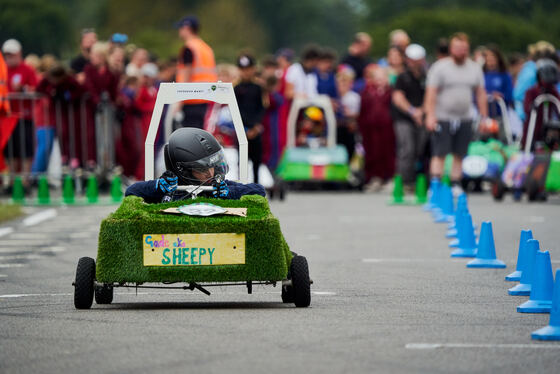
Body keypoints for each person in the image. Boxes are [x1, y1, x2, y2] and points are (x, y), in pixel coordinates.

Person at [125, 128, 265, 203]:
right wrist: (156, 187)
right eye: (202, 169)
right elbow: (131, 191)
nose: (210, 173)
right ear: (182, 170)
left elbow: (259, 191)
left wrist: (230, 193)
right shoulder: (168, 188)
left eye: (212, 166)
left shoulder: (216, 187)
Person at [424, 32, 488, 194]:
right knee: (440, 152)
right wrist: (430, 115)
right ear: (451, 49)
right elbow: (431, 93)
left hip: (465, 116)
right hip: (442, 116)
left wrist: (484, 117)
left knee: (459, 153)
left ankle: (455, 182)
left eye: (464, 48)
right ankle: (436, 182)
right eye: (458, 48)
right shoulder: (440, 67)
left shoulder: (474, 68)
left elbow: (480, 93)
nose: (461, 52)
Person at [391, 43, 429, 191]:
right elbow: (398, 97)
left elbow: (431, 95)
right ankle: (403, 182)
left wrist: (422, 111)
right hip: (404, 118)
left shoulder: (427, 76)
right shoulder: (402, 77)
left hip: (423, 117)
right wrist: (413, 111)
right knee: (407, 149)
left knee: (421, 150)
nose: (415, 63)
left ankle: (420, 180)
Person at [2, 39, 37, 177]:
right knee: (11, 152)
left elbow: (35, 89)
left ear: (19, 53)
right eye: (7, 55)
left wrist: (23, 89)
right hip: (7, 117)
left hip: (24, 116)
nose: (9, 58)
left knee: (25, 152)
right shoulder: (3, 70)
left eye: (12, 55)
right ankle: (11, 181)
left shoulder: (27, 70)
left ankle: (24, 181)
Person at [175, 15, 217, 129]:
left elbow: (185, 76)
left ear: (187, 28)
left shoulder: (189, 48)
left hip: (192, 99)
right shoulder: (206, 48)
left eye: (180, 28)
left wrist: (178, 102)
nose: (179, 31)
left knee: (190, 138)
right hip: (208, 98)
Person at [358, 64, 395, 190]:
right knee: (372, 153)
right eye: (377, 78)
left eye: (382, 77)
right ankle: (374, 178)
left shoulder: (391, 92)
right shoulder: (367, 92)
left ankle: (389, 177)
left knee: (388, 152)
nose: (380, 80)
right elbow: (362, 112)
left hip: (388, 127)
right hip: (371, 128)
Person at [234, 54, 265, 183]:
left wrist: (256, 126)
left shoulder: (258, 87)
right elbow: (236, 109)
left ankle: (257, 184)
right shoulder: (236, 88)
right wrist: (244, 127)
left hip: (255, 128)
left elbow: (262, 107)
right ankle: (242, 184)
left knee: (257, 158)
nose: (246, 72)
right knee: (241, 159)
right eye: (243, 69)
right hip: (242, 128)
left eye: (248, 68)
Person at [521, 58, 560, 150]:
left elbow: (558, 107)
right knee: (529, 144)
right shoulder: (532, 91)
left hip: (547, 129)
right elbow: (527, 109)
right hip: (533, 127)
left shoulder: (553, 92)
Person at [335, 65, 360, 159]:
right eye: (339, 83)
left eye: (344, 83)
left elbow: (358, 114)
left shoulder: (354, 97)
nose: (342, 86)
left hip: (349, 128)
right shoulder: (334, 97)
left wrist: (348, 114)